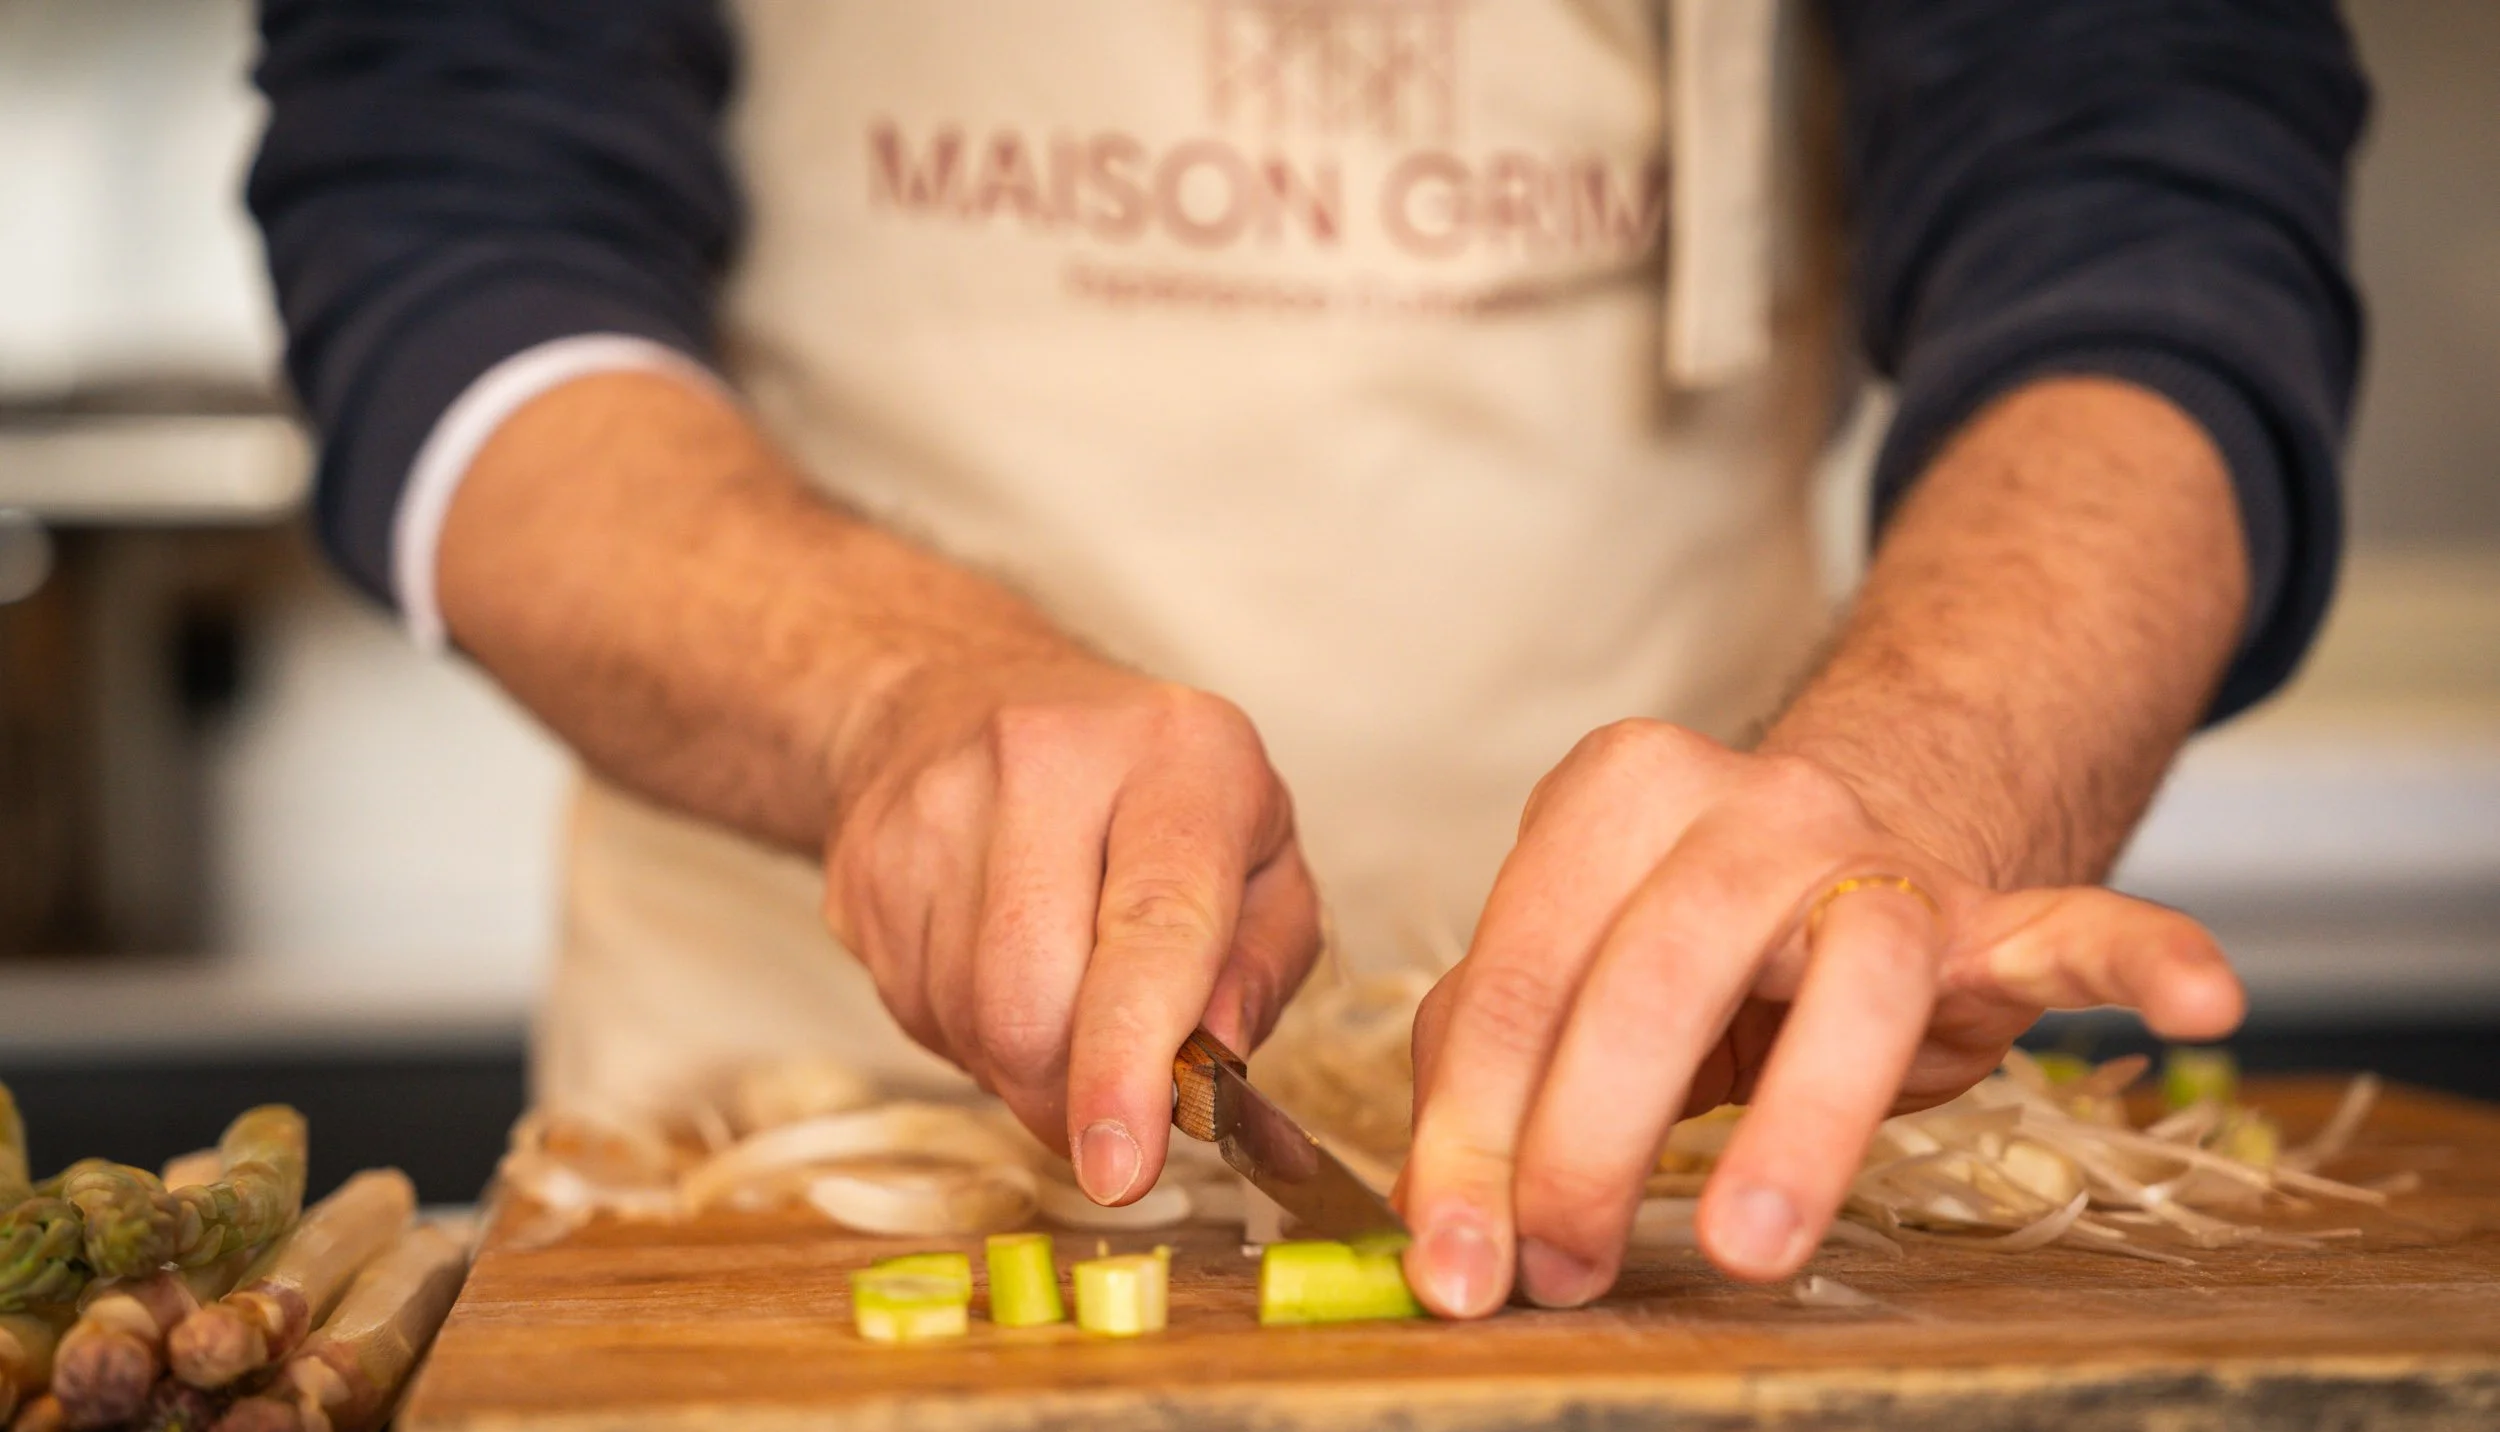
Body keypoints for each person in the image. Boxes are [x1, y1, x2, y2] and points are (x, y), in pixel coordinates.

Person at [248, 0, 2365, 1317]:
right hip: (770, 1151)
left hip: (1707, 1182)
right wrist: (881, 689)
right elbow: (449, 239)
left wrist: (1930, 774)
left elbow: (2146, 199)